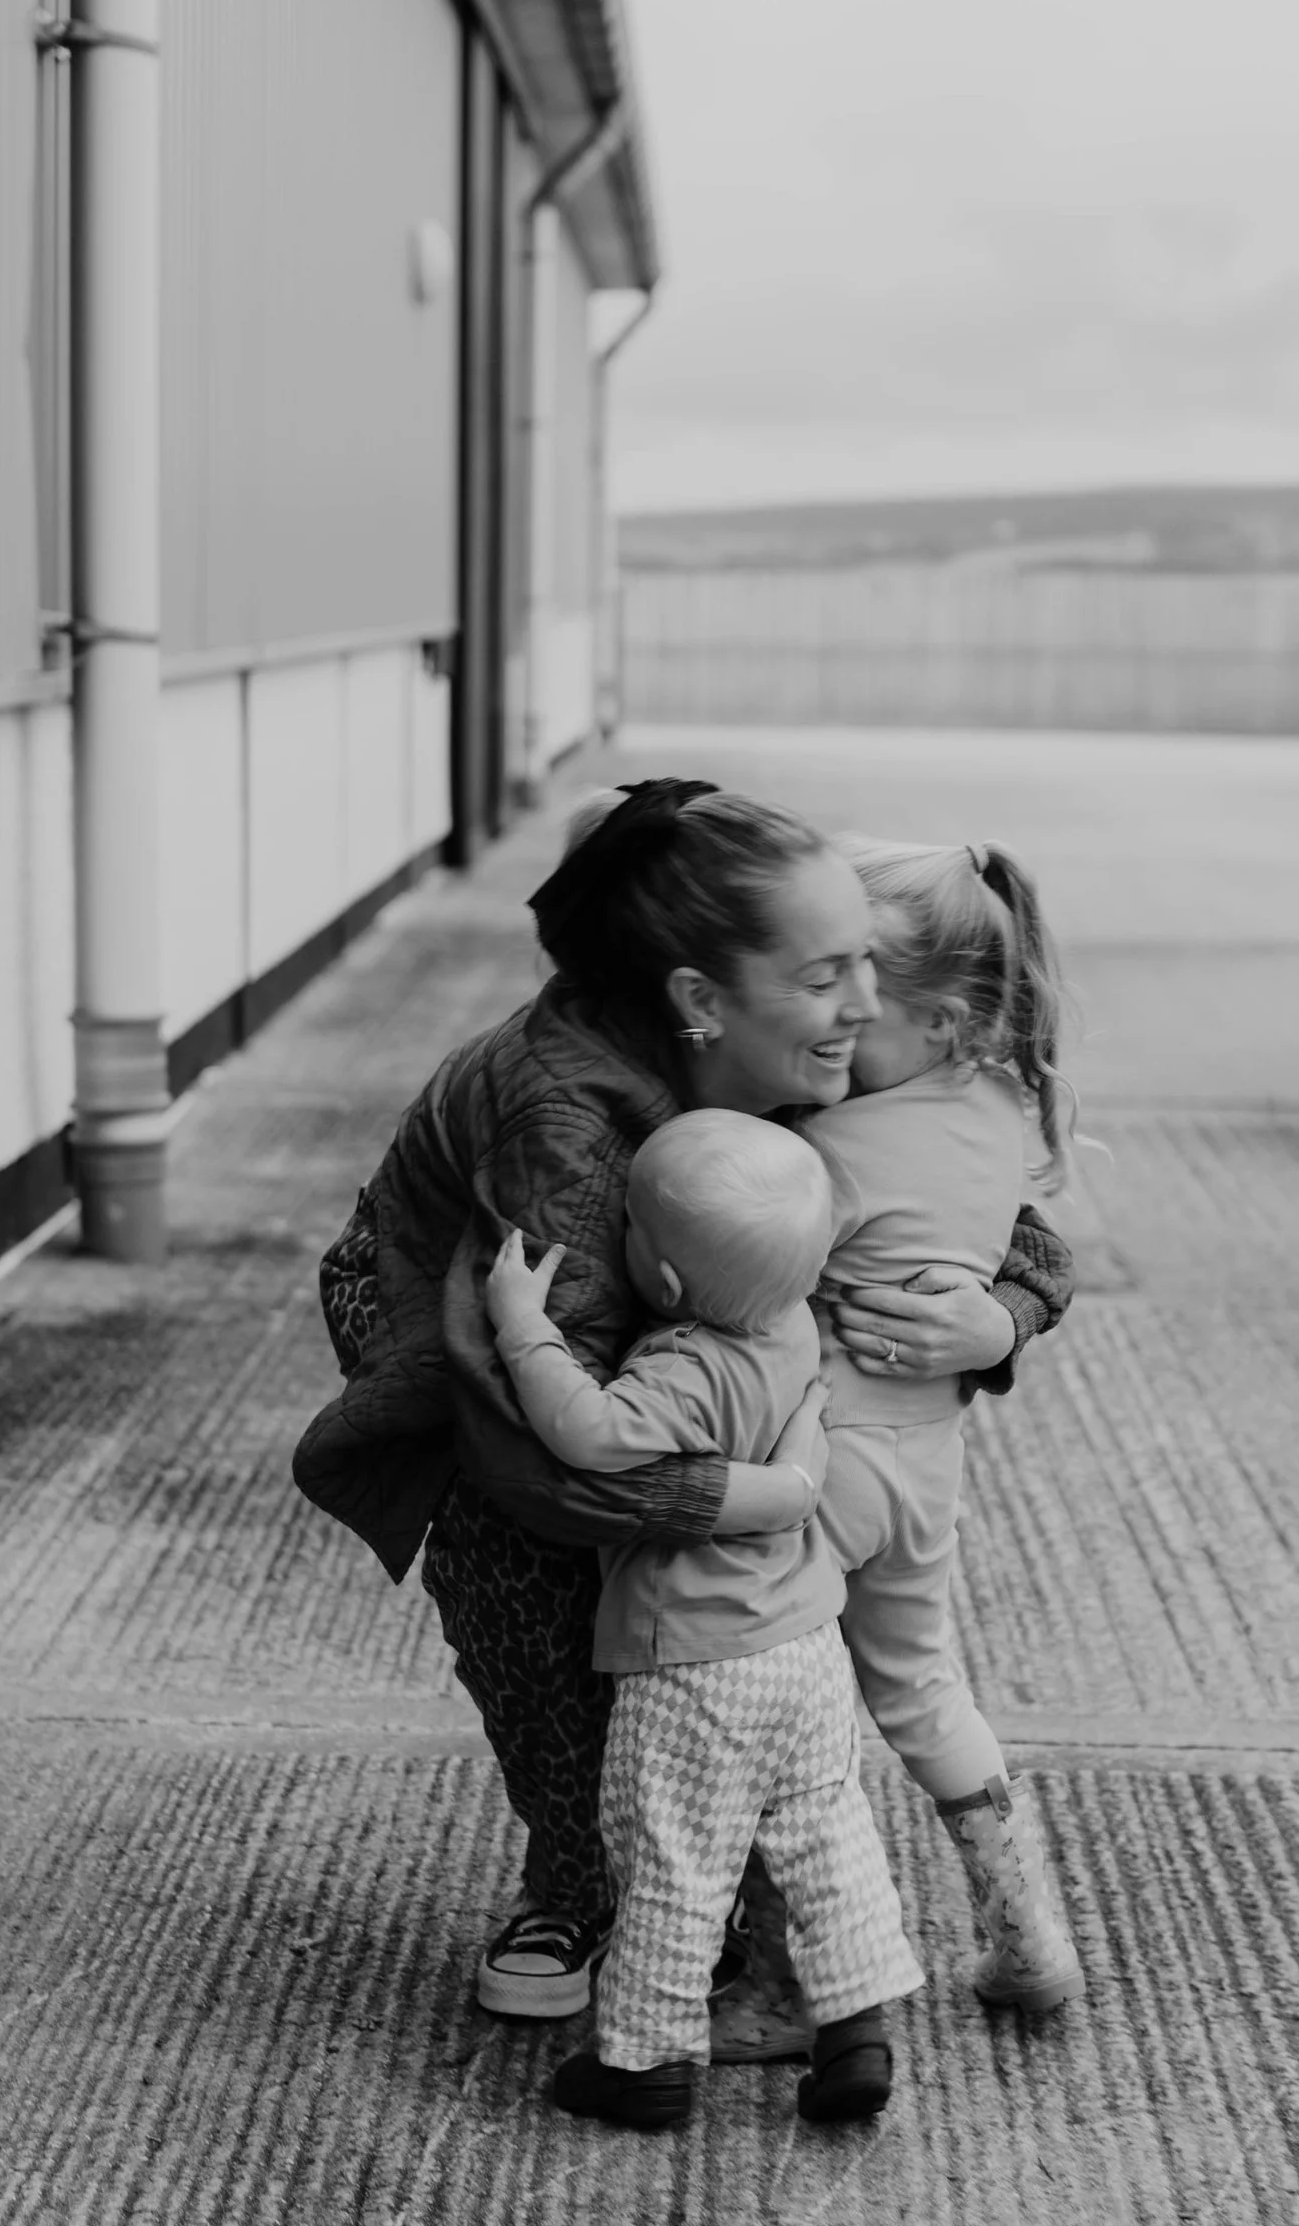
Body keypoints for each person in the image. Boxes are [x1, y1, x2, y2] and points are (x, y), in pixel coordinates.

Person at [292, 778, 1074, 2032]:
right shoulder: (575, 1128)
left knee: (719, 1659)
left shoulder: (794, 1074)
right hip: (495, 1385)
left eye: (862, 973)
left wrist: (1005, 1312)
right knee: (564, 1620)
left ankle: (720, 1935)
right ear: (700, 998)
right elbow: (529, 1424)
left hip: (711, 1411)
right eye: (828, 977)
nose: (858, 1007)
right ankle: (587, 1886)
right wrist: (736, 1492)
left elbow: (986, 1221)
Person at [483, 1112, 923, 2132]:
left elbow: (591, 1435)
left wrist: (522, 1326)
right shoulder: (790, 1323)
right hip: (808, 1647)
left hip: (697, 1661)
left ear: (666, 1284)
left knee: (675, 1854)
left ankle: (643, 2059)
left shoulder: (683, 1363)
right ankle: (855, 2025)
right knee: (826, 1835)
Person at [811, 838, 1084, 2013]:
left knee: (787, 1706)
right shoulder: (997, 1107)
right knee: (923, 1686)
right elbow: (1030, 1246)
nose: (838, 1018)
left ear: (945, 1020)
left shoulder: (828, 1150)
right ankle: (1025, 1934)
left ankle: (795, 1972)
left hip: (814, 1459)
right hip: (925, 1466)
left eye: (860, 998)